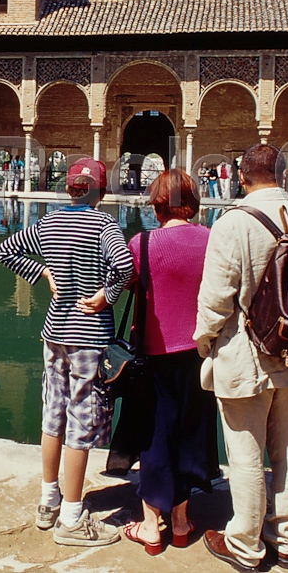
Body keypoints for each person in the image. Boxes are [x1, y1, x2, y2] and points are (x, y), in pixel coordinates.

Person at [195, 143, 288, 571]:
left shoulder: (233, 222)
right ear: (285, 174)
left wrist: (205, 343)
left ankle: (246, 544)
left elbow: (217, 299)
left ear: (241, 177)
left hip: (245, 356)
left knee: (244, 453)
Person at [0, 157, 133, 547]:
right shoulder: (105, 224)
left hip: (54, 333)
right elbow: (124, 265)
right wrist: (107, 295)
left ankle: (48, 499)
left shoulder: (50, 222)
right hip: (89, 337)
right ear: (101, 192)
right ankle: (72, 517)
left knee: (53, 413)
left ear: (68, 189)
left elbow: (4, 250)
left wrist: (43, 273)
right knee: (81, 419)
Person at [84, 169, 218, 555]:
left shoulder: (141, 245)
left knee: (153, 436)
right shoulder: (211, 241)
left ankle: (149, 526)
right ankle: (180, 521)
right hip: (198, 356)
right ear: (192, 201)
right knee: (190, 433)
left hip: (152, 358)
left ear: (157, 204)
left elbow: (121, 281)